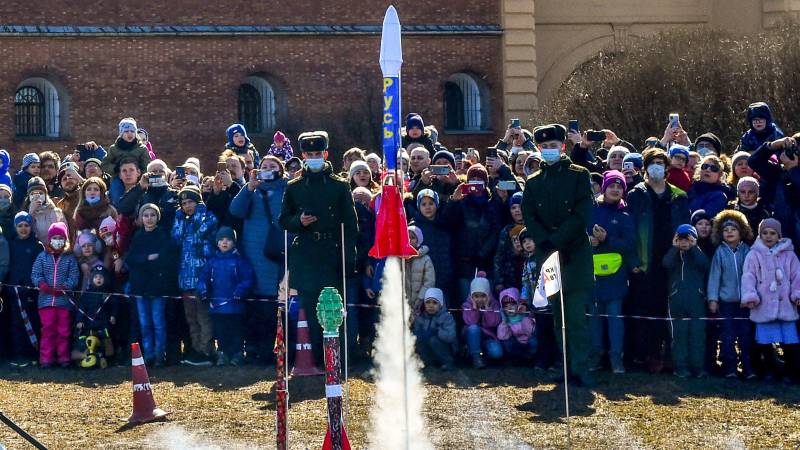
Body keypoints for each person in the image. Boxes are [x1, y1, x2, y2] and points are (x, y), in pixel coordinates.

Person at [521, 124, 595, 386]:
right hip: (548, 255)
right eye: (544, 147)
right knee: (557, 317)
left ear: (563, 146)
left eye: (553, 146)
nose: (548, 150)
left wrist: (558, 239)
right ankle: (563, 366)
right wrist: (546, 241)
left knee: (575, 317)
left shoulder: (578, 175)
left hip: (573, 254)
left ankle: (581, 367)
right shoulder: (533, 181)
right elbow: (529, 215)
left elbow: (582, 213)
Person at [278, 131, 358, 365]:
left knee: (335, 308)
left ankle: (340, 358)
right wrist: (298, 222)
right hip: (305, 254)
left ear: (325, 154)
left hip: (331, 253)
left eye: (317, 153)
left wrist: (348, 256)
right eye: (309, 154)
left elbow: (350, 225)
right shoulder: (294, 187)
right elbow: (283, 219)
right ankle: (320, 360)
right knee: (312, 310)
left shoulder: (339, 186)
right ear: (302, 155)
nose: (314, 157)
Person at [626, 148, 690, 373]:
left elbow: (685, 227)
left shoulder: (678, 195)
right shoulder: (636, 194)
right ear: (645, 167)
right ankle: (648, 355)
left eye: (660, 163)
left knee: (670, 308)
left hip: (672, 259)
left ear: (667, 167)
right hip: (645, 261)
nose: (657, 166)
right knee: (646, 308)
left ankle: (671, 355)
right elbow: (630, 230)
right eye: (652, 162)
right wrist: (632, 260)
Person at [229, 155, 288, 365]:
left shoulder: (287, 189)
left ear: (280, 170)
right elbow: (235, 210)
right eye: (264, 166)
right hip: (254, 252)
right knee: (257, 304)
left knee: (277, 303)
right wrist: (249, 187)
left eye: (273, 166)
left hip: (279, 252)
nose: (268, 169)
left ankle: (278, 349)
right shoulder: (252, 190)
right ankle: (256, 349)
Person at [742, 218, 800, 382]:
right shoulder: (754, 254)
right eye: (765, 233)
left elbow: (797, 276)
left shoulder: (789, 254)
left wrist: (797, 294)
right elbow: (748, 276)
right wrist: (750, 296)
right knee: (765, 342)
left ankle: (790, 372)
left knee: (790, 342)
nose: (768, 236)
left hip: (786, 305)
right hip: (763, 305)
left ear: (779, 235)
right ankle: (769, 371)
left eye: (772, 233)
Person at [589, 171, 635, 374]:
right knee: (595, 319)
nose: (615, 190)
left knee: (615, 319)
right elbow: (580, 236)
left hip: (616, 277)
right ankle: (596, 356)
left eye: (620, 187)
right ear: (604, 188)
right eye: (612, 186)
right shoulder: (592, 211)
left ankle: (616, 357)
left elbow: (629, 245)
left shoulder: (625, 215)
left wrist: (608, 239)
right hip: (592, 275)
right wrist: (590, 242)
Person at [125, 204, 178, 366]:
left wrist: (149, 261)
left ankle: (159, 354)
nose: (149, 218)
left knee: (158, 322)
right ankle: (148, 354)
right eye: (146, 215)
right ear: (141, 218)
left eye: (152, 215)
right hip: (140, 287)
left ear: (157, 217)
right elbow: (131, 259)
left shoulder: (163, 235)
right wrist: (147, 258)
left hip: (158, 287)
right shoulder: (137, 237)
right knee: (145, 323)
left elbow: (165, 259)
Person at [172, 185, 218, 366]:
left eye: (190, 201)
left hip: (202, 278)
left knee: (203, 316)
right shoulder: (183, 219)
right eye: (183, 203)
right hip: (186, 278)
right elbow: (175, 237)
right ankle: (196, 349)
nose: (187, 206)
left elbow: (202, 232)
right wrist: (178, 218)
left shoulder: (209, 217)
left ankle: (206, 350)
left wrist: (199, 212)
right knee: (191, 317)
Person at [707, 210, 754, 379]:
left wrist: (751, 296)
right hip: (726, 302)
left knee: (745, 337)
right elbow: (714, 277)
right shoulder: (719, 252)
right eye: (726, 230)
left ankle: (748, 368)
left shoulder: (747, 251)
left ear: (741, 231)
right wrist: (713, 299)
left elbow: (753, 275)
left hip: (745, 303)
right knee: (727, 337)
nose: (729, 232)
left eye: (733, 229)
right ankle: (730, 369)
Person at [198, 227, 254, 366]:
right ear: (217, 243)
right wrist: (203, 291)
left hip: (235, 306)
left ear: (234, 242)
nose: (224, 242)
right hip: (217, 306)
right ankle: (222, 353)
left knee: (236, 331)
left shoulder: (240, 261)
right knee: (221, 331)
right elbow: (202, 279)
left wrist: (239, 291)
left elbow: (247, 278)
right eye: (221, 239)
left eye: (228, 239)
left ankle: (237, 354)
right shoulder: (212, 262)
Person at [663, 224, 709, 378]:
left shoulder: (698, 253)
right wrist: (675, 248)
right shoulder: (674, 254)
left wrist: (694, 247)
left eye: (687, 239)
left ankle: (698, 367)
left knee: (697, 336)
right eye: (681, 238)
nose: (684, 242)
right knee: (679, 336)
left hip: (696, 300)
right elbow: (666, 264)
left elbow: (704, 264)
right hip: (676, 301)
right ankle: (680, 367)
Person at [31, 222, 79, 368]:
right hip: (45, 302)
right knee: (47, 330)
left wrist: (66, 287)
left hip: (63, 301)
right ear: (50, 239)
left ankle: (63, 358)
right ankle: (46, 359)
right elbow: (35, 273)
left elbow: (74, 276)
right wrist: (42, 285)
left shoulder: (70, 258)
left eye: (60, 238)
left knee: (64, 331)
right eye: (55, 237)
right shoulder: (42, 257)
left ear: (65, 240)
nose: (57, 241)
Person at [450, 164, 501, 300]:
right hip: (464, 262)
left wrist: (483, 252)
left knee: (487, 302)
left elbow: (496, 231)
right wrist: (454, 201)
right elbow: (449, 223)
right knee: (466, 301)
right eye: (473, 179)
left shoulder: (492, 204)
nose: (476, 184)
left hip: (486, 262)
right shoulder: (461, 203)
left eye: (480, 180)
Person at [4, 212, 42, 367]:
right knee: (16, 323)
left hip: (32, 292)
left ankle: (32, 352)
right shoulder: (12, 244)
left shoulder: (37, 246)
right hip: (14, 292)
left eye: (26, 225)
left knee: (33, 321)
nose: (23, 229)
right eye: (20, 226)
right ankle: (18, 354)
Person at [73, 264, 116, 365]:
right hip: (88, 326)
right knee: (82, 341)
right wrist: (79, 321)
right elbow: (81, 309)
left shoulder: (109, 294)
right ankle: (84, 356)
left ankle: (108, 358)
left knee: (107, 339)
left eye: (101, 277)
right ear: (92, 278)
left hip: (103, 325)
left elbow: (114, 306)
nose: (98, 279)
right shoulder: (87, 294)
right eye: (96, 277)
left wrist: (113, 316)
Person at [102, 118, 151, 204]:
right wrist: (115, 169)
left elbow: (146, 166)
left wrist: (140, 175)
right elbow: (105, 164)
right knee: (116, 193)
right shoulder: (114, 148)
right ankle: (118, 210)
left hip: (137, 178)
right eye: (126, 131)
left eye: (132, 131)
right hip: (118, 177)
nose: (130, 134)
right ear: (121, 133)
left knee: (142, 196)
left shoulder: (142, 148)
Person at [462, 271, 502, 369]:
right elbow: (471, 322)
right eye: (476, 296)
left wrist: (487, 309)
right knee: (474, 328)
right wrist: (475, 309)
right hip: (472, 335)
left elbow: (494, 323)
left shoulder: (494, 304)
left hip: (488, 336)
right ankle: (476, 357)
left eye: (483, 296)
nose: (479, 299)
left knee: (497, 353)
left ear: (488, 295)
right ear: (472, 296)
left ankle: (485, 355)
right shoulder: (467, 305)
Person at [413, 287, 457, 371]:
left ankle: (447, 362)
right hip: (428, 350)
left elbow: (451, 337)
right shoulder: (421, 317)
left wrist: (437, 331)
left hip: (444, 348)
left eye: (434, 303)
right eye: (428, 302)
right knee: (417, 338)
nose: (431, 305)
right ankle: (425, 362)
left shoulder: (446, 317)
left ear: (440, 304)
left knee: (433, 339)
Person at [497, 287, 536, 361]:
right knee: (507, 343)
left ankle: (532, 357)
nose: (509, 308)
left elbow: (532, 331)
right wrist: (504, 320)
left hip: (529, 343)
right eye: (505, 306)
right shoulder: (507, 321)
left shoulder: (526, 315)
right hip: (517, 344)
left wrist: (526, 319)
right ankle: (519, 359)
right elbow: (502, 336)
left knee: (534, 340)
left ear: (518, 303)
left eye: (512, 305)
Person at [727, 176, 770, 244]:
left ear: (757, 193)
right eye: (743, 192)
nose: (746, 195)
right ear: (738, 193)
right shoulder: (730, 210)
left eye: (751, 192)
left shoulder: (763, 213)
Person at [25, 177, 66, 244]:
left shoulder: (56, 212)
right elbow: (24, 234)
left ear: (46, 195)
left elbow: (63, 236)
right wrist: (31, 213)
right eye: (32, 194)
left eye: (41, 193)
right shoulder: (25, 214)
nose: (37, 196)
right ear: (29, 197)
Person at [404, 225, 435, 312]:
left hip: (419, 303)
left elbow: (429, 281)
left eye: (413, 237)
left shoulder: (425, 259)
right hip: (402, 303)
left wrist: (420, 298)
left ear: (418, 240)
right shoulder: (399, 258)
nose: (409, 240)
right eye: (407, 237)